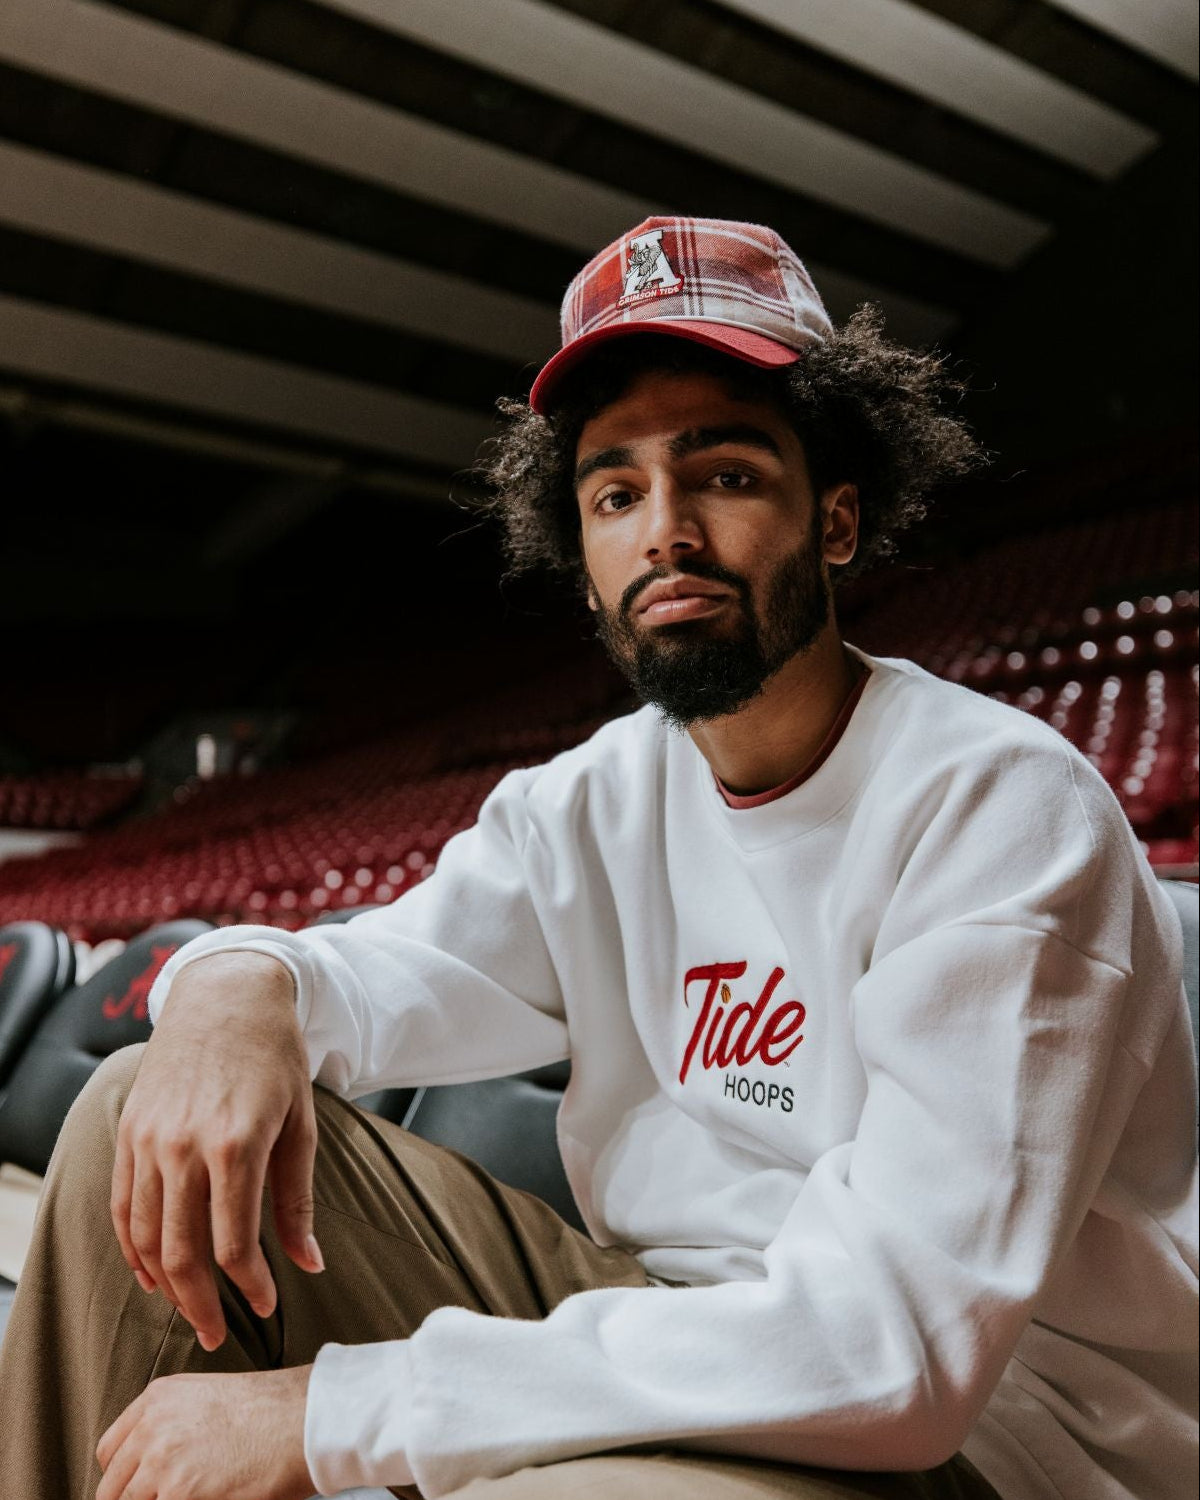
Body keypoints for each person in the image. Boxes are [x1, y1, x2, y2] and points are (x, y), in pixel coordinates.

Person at [1, 217, 1195, 1500]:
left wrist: (336, 1409)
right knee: (136, 1109)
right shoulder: (594, 798)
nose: (665, 531)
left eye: (725, 474)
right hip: (673, 1316)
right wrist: (240, 985)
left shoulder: (1001, 807)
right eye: (616, 495)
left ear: (837, 520)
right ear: (584, 567)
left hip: (997, 1429)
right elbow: (380, 973)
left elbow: (896, 1352)